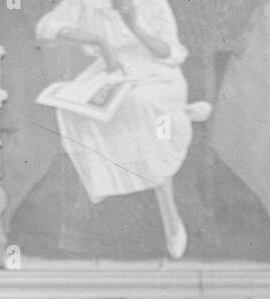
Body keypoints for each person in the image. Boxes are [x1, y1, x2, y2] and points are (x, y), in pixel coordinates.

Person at [36, 0, 204, 259]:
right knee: (74, 109)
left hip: (157, 73)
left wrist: (134, 26)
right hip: (111, 71)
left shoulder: (153, 4)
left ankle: (169, 212)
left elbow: (171, 52)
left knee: (141, 104)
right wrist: (99, 41)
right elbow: (47, 26)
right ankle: (105, 176)